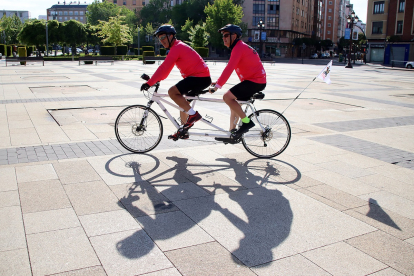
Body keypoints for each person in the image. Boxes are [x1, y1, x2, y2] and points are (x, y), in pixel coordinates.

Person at [141, 25, 211, 140]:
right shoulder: (177, 47)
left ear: (171, 36)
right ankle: (183, 131)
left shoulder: (177, 48)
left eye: (163, 37)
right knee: (183, 103)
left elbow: (164, 68)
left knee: (172, 92)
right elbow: (165, 71)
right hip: (199, 77)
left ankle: (193, 116)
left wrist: (149, 82)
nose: (161, 41)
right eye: (159, 38)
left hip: (199, 78)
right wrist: (154, 80)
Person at [209, 24, 266, 142]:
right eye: (222, 36)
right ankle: (233, 134)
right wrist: (218, 82)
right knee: (234, 105)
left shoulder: (239, 48)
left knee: (227, 97)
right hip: (255, 81)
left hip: (255, 81)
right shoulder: (240, 47)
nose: (223, 38)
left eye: (226, 35)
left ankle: (246, 122)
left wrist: (218, 86)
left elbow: (229, 68)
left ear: (234, 36)